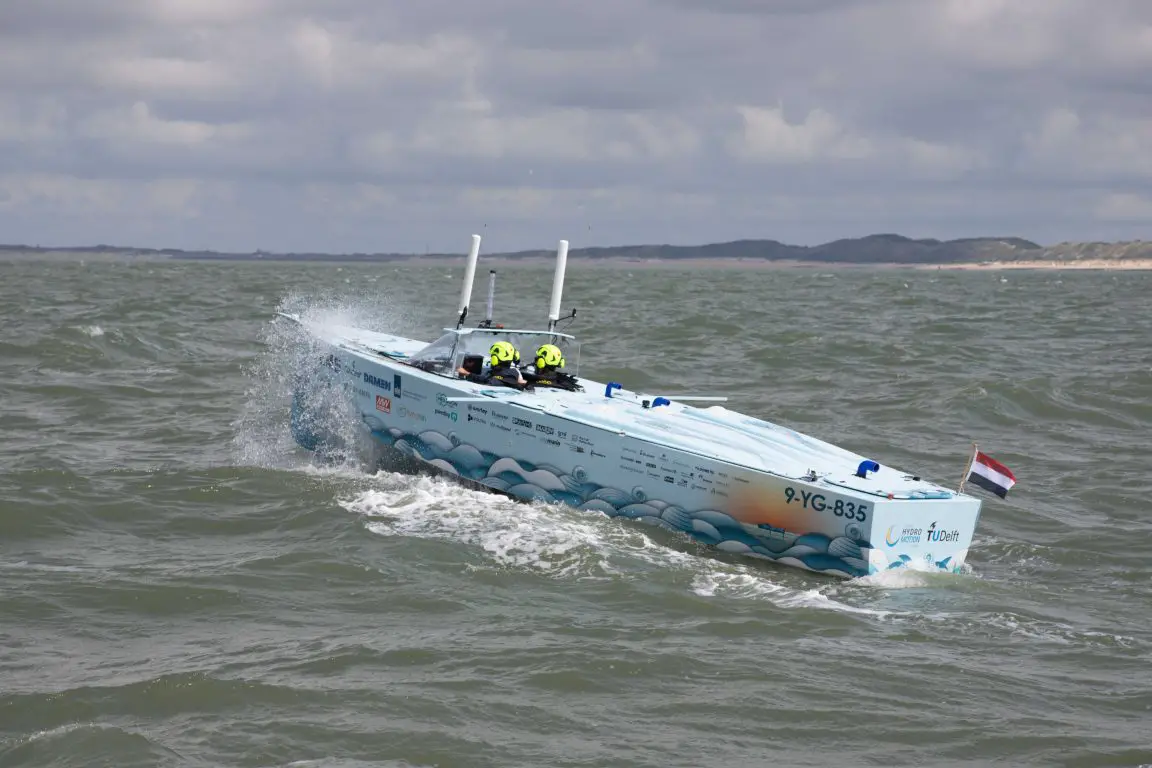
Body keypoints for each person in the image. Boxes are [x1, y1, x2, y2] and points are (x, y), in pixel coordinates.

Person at [459, 340, 527, 389]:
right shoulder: (514, 372)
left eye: (492, 357)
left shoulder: (501, 375)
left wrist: (466, 373)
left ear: (495, 359)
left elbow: (488, 381)